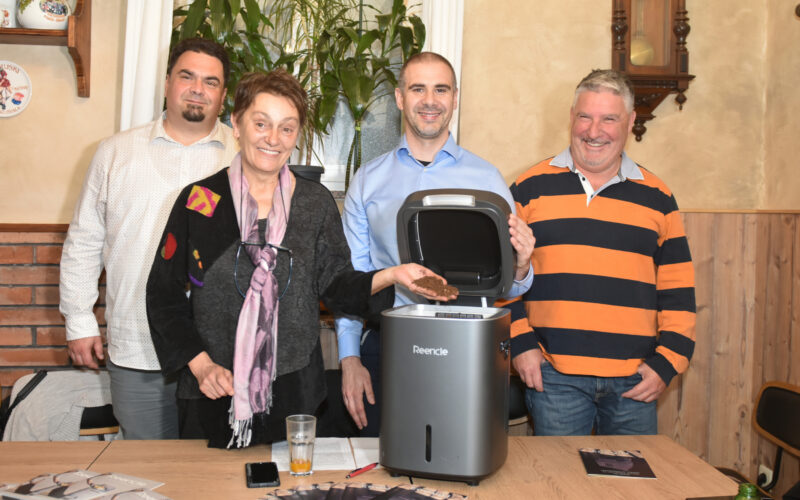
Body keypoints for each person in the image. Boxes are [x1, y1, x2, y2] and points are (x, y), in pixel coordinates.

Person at [145, 70, 456, 449]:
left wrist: (393, 275)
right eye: (261, 124)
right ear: (236, 124)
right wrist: (200, 365)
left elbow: (338, 286)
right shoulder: (200, 201)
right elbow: (163, 295)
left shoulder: (314, 203)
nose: (273, 139)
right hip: (211, 391)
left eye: (287, 128)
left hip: (295, 399)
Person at [337, 52, 536, 436]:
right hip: (387, 344)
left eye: (441, 89)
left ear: (455, 98)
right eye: (418, 89)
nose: (430, 101)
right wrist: (349, 358)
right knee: (381, 461)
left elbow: (506, 286)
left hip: (468, 346)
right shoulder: (367, 180)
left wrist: (523, 265)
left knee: (459, 458)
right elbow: (353, 279)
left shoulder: (488, 180)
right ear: (400, 98)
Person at [59, 38, 238, 439]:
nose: (198, 89)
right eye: (187, 76)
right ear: (167, 82)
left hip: (221, 356)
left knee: (215, 469)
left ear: (223, 94)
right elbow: (84, 241)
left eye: (210, 81)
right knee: (146, 466)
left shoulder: (244, 158)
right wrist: (79, 320)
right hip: (139, 349)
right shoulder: (115, 153)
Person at [510, 69, 696, 435]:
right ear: (571, 117)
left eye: (609, 119)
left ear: (630, 121)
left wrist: (667, 363)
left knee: (632, 475)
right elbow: (504, 281)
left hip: (635, 380)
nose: (594, 131)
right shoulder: (527, 189)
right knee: (558, 474)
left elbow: (678, 292)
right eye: (585, 117)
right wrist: (521, 345)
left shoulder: (658, 198)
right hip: (554, 377)